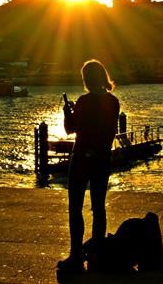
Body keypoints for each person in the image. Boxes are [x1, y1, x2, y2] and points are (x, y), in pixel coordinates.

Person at [58, 60, 121, 273]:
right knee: (99, 207)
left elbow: (71, 129)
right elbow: (108, 131)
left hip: (81, 159)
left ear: (86, 79)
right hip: (102, 159)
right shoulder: (113, 102)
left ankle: (76, 256)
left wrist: (68, 112)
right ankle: (98, 254)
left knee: (75, 208)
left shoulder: (84, 101)